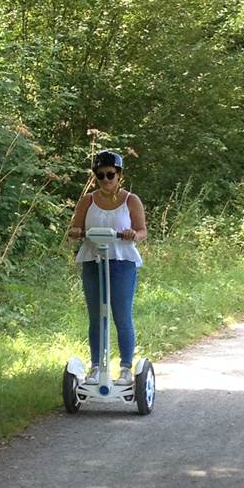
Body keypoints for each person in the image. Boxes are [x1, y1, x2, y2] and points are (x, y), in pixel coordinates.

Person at [67, 151, 148, 385]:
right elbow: (75, 227)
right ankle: (95, 367)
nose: (105, 180)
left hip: (122, 262)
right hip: (94, 261)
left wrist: (133, 234)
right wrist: (75, 232)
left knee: (121, 316)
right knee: (96, 317)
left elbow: (142, 231)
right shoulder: (87, 201)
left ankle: (125, 368)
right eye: (100, 175)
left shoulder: (131, 200)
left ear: (119, 175)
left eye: (110, 175)